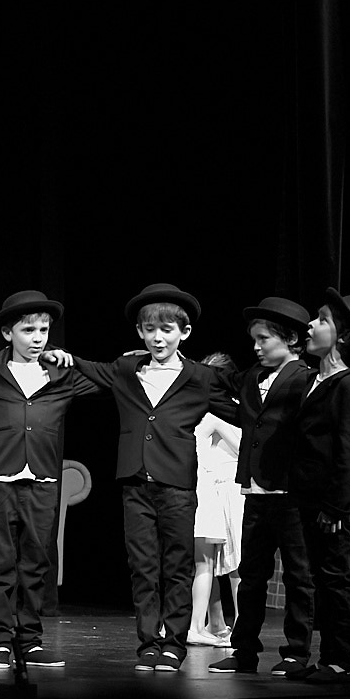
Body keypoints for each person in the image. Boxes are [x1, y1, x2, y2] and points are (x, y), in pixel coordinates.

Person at [63, 284, 239, 672]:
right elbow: (92, 369)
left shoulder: (200, 377)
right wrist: (67, 358)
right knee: (142, 566)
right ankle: (148, 642)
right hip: (135, 484)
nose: (158, 338)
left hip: (177, 485)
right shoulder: (127, 370)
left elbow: (239, 410)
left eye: (167, 330)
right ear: (140, 332)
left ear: (184, 333)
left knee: (177, 566)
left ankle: (174, 643)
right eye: (150, 330)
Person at [0, 291, 100, 669]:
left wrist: (73, 359)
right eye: (28, 330)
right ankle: (0, 640)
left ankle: (29, 640)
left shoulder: (61, 375)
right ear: (8, 333)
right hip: (1, 480)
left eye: (43, 330)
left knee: (35, 564)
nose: (38, 338)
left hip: (43, 483)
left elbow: (112, 380)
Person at [210, 297, 319, 677]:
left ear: (290, 339)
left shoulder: (305, 378)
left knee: (298, 577)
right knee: (251, 575)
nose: (256, 347)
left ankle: (296, 654)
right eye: (254, 340)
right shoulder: (252, 376)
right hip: (255, 490)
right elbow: (220, 389)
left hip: (289, 491)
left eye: (264, 339)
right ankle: (244, 651)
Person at [288, 289, 350, 683]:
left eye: (321, 320)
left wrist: (336, 506)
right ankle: (326, 659)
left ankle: (340, 662)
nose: (311, 325)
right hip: (310, 499)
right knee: (320, 581)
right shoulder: (312, 380)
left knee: (337, 580)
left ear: (343, 336)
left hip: (336, 504)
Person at [188, 352, 243, 648]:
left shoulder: (232, 409)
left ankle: (240, 627)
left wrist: (218, 423)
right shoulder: (207, 410)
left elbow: (244, 450)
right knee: (208, 563)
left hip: (233, 489)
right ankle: (216, 622)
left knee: (234, 563)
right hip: (210, 487)